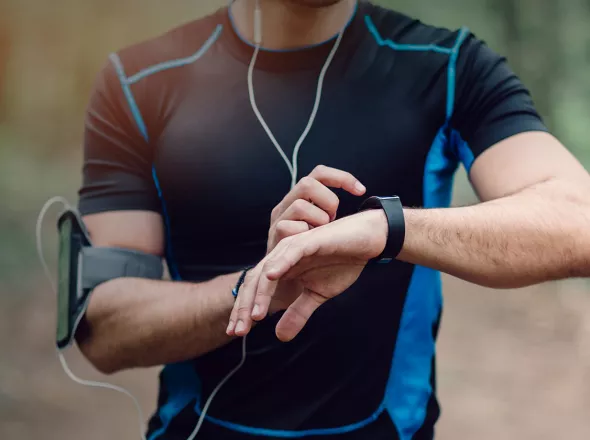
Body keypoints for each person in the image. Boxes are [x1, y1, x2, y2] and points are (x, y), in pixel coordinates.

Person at [76, 0, 590, 439]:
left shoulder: (448, 67)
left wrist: (387, 231)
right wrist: (261, 286)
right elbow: (103, 327)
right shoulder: (138, 82)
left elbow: (579, 220)